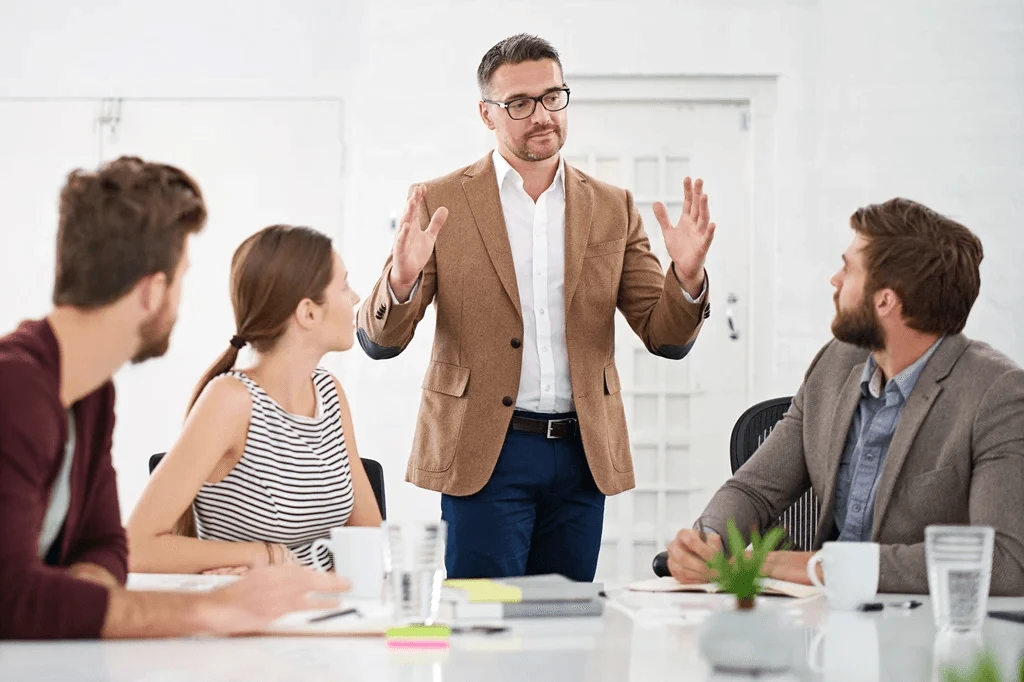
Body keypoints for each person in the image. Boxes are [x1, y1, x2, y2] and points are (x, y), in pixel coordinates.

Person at [357, 34, 716, 581]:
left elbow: (665, 336)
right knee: (484, 632)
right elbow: (380, 343)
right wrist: (401, 281)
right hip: (485, 449)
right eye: (519, 104)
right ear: (486, 114)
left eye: (552, 97)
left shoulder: (612, 206)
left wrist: (686, 278)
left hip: (581, 454)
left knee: (567, 631)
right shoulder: (439, 201)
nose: (541, 115)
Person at [0, 157, 346, 640]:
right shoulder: (14, 393)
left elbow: (105, 547)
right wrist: (207, 611)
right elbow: (11, 597)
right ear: (152, 292)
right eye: (182, 276)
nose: (182, 298)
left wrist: (85, 589)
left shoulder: (91, 394)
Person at [667, 197, 1024, 595]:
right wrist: (707, 540)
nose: (835, 280)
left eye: (848, 268)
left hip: (921, 636)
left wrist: (822, 566)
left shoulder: (998, 394)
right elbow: (754, 489)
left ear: (885, 300)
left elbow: (1006, 563)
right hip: (818, 625)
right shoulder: (836, 365)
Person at [126, 225, 383, 574]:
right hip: (253, 614)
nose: (355, 298)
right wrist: (265, 556)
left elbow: (367, 537)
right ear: (308, 312)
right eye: (343, 286)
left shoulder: (329, 393)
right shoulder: (231, 400)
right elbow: (137, 548)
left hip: (327, 610)